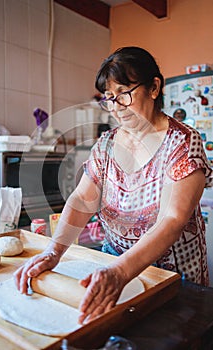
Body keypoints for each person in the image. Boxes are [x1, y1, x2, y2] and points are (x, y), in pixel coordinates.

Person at [14, 46, 212, 324]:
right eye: (109, 98)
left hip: (169, 276)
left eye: (124, 93)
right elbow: (83, 199)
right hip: (112, 264)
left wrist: (120, 272)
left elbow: (172, 218)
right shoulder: (106, 144)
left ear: (154, 87)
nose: (116, 107)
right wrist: (54, 251)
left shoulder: (182, 143)